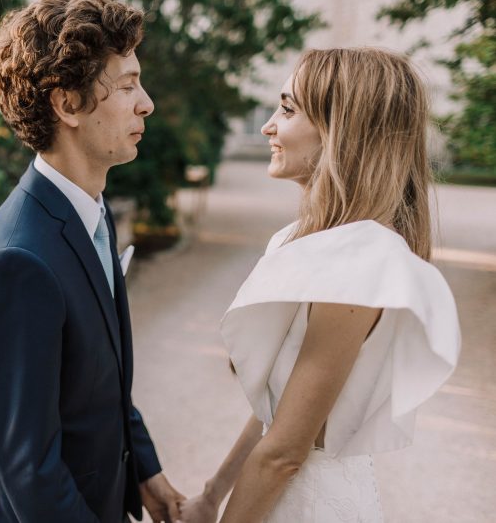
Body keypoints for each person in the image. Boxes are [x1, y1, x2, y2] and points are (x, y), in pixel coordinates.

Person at [180, 47, 462, 522]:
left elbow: (286, 452)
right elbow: (281, 408)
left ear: (341, 132)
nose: (269, 125)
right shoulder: (300, 241)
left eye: (288, 110)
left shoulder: (360, 262)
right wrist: (212, 495)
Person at [0, 0, 185, 523]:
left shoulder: (89, 210)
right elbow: (31, 471)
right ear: (67, 105)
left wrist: (148, 476)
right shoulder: (15, 264)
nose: (146, 102)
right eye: (127, 85)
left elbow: (98, 387)